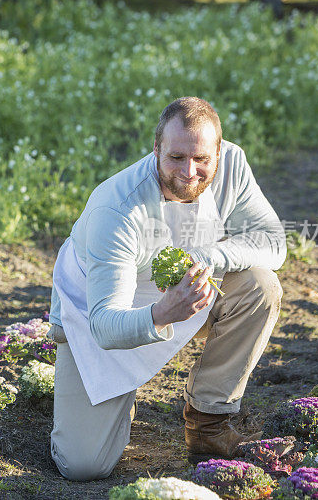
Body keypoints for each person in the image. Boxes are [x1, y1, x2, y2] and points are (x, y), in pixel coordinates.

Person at [47, 96, 285, 481]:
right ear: (155, 148)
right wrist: (162, 313)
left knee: (261, 285)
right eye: (175, 157)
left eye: (202, 159)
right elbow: (106, 325)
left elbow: (274, 244)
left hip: (182, 290)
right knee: (83, 466)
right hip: (97, 308)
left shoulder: (233, 165)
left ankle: (208, 421)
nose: (190, 171)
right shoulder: (117, 209)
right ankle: (108, 394)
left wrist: (207, 256)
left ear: (218, 152)